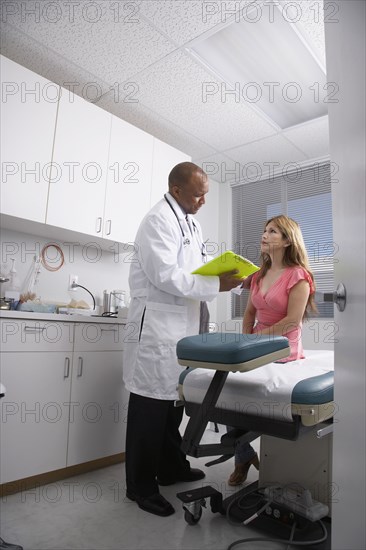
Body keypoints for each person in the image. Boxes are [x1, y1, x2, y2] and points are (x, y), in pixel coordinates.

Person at [123, 162, 243, 516]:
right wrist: (214, 284)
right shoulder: (157, 220)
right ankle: (140, 488)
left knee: (174, 405)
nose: (203, 200)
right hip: (157, 331)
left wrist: (219, 274)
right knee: (150, 410)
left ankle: (171, 468)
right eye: (197, 193)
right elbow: (165, 274)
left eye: (205, 193)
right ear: (176, 190)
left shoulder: (190, 221)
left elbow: (195, 268)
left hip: (184, 327)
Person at [227, 215, 317, 486]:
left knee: (250, 392)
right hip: (256, 343)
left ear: (288, 240)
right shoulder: (258, 274)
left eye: (273, 231)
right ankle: (243, 454)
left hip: (282, 348)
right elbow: (250, 312)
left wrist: (255, 340)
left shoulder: (299, 275)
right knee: (229, 389)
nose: (265, 235)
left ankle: (258, 458)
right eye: (265, 230)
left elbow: (292, 321)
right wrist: (246, 338)